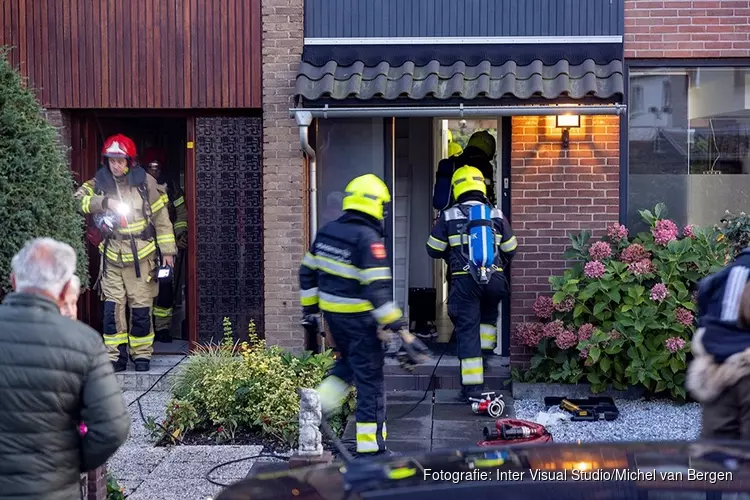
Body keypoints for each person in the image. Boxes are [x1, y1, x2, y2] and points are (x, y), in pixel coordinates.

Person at [0, 237, 130, 498]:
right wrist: (71, 463)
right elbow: (112, 428)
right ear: (64, 291)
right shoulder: (84, 342)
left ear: (14, 281)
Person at [299, 174, 408, 457]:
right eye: (382, 206)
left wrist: (310, 312)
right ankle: (372, 449)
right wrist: (398, 325)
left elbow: (307, 272)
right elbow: (378, 291)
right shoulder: (367, 238)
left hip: (335, 319)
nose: (384, 213)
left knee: (347, 366)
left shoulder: (327, 232)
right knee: (371, 381)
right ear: (372, 204)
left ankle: (315, 407)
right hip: (361, 321)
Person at [75, 134, 177, 372]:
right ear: (106, 161)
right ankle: (115, 356)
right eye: (112, 160)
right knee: (112, 309)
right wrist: (103, 203)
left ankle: (141, 355)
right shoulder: (98, 183)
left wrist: (168, 252)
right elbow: (77, 200)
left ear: (130, 161)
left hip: (142, 259)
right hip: (111, 258)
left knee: (141, 308)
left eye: (121, 160)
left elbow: (163, 222)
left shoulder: (147, 184)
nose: (116, 165)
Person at [426, 166, 517, 402]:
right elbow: (511, 248)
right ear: (481, 186)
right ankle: (485, 358)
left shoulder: (449, 215)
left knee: (467, 333)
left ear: (457, 188)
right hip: (495, 279)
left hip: (465, 281)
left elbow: (433, 249)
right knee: (487, 321)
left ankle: (473, 389)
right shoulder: (495, 214)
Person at [687, 248, 750, 439]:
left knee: (717, 444)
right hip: (742, 362)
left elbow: (705, 306)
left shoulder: (726, 274)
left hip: (715, 366)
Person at [143, 147, 188, 343]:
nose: (155, 171)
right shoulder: (137, 186)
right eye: (151, 167)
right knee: (142, 290)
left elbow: (181, 214)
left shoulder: (171, 187)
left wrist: (180, 235)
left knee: (165, 288)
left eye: (158, 167)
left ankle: (162, 329)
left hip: (164, 251)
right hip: (141, 250)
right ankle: (143, 329)